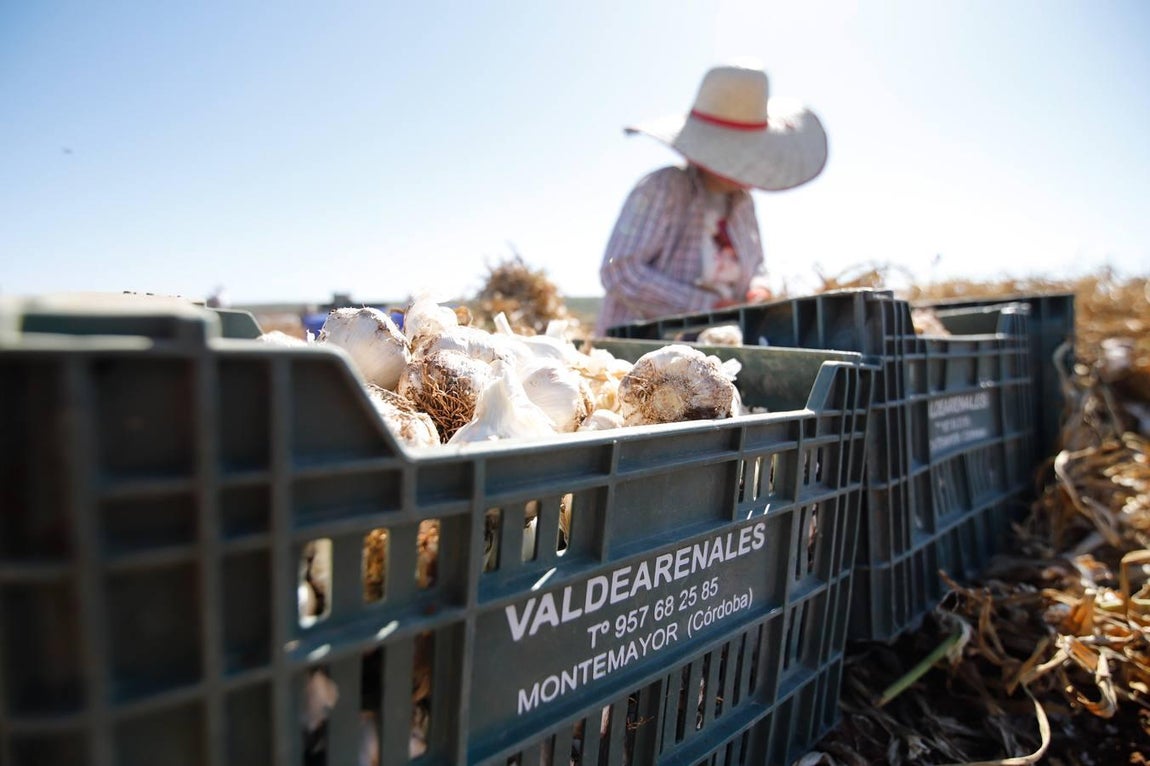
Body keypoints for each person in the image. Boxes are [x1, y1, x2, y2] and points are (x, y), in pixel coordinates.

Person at [595, 63, 828, 335]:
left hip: (716, 346)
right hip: (644, 349)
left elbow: (757, 265)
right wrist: (710, 306)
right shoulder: (663, 188)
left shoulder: (742, 204)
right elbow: (621, 271)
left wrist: (759, 288)